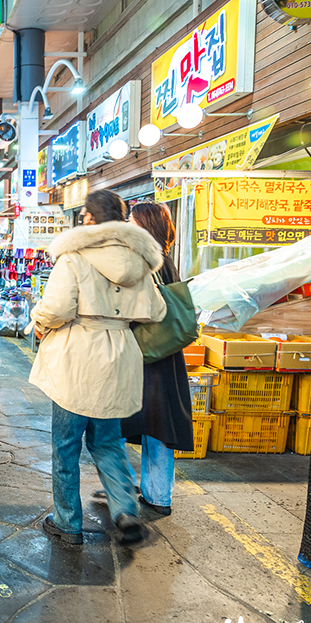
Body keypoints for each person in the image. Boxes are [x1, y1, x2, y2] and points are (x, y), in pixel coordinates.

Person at [27, 189, 166, 546]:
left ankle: (67, 521)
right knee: (107, 442)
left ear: (88, 219)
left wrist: (38, 320)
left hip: (78, 356)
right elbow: (157, 311)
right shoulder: (140, 260)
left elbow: (56, 308)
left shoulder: (74, 257)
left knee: (66, 445)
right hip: (119, 355)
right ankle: (124, 510)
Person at [115, 201, 194, 516]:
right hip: (165, 355)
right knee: (158, 425)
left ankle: (121, 486)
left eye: (132, 221)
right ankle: (158, 494)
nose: (127, 226)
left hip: (143, 354)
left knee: (117, 424)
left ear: (145, 225)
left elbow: (137, 309)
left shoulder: (144, 261)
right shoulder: (166, 260)